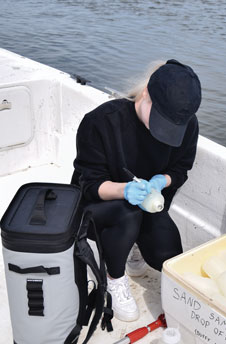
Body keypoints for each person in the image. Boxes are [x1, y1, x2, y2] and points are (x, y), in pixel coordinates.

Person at [72, 59, 201, 322]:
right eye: (159, 122)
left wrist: (161, 181)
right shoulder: (101, 122)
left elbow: (180, 170)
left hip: (147, 203)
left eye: (172, 129)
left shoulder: (188, 126)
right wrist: (125, 190)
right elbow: (90, 184)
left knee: (169, 253)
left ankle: (135, 248)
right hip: (99, 202)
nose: (162, 134)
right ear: (146, 95)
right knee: (127, 215)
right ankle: (114, 277)